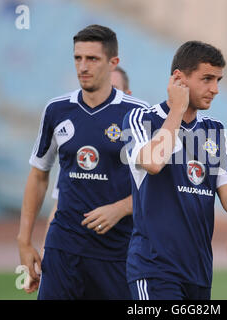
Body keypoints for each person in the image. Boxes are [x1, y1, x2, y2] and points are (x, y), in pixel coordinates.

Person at [17, 25, 149, 299]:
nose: (83, 66)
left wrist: (120, 208)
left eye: (92, 59)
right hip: (63, 248)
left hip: (117, 251)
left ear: (113, 63)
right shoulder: (56, 110)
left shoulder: (137, 114)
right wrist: (25, 239)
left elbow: (157, 187)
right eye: (78, 58)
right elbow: (39, 174)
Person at [122, 41, 227, 300]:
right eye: (207, 79)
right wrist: (177, 109)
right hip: (154, 268)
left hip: (198, 270)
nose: (215, 89)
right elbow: (153, 163)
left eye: (218, 80)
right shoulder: (140, 119)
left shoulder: (214, 130)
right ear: (179, 79)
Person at [42, 66, 133, 255]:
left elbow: (157, 193)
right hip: (74, 250)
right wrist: (46, 249)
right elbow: (60, 202)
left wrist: (120, 208)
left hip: (121, 250)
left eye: (114, 88)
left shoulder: (141, 143)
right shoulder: (77, 145)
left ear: (127, 95)